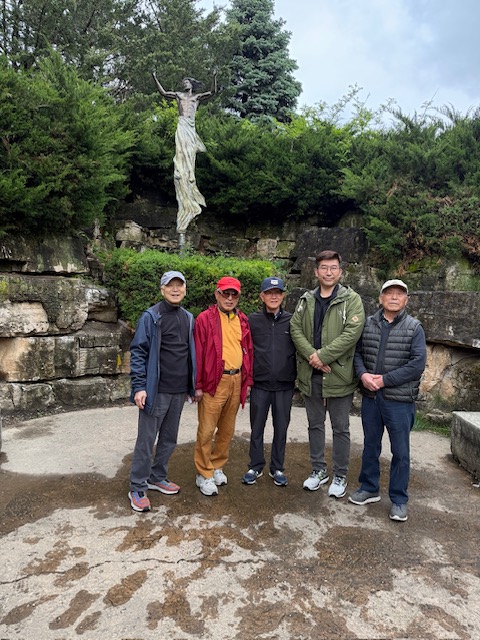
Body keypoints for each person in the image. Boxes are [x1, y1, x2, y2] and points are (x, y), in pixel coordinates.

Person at [349, 279, 427, 522]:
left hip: (399, 401)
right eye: (389, 293)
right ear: (380, 298)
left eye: (399, 294)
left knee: (400, 451)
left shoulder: (414, 327)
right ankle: (369, 487)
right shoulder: (368, 324)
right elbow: (357, 353)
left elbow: (417, 364)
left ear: (406, 300)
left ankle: (399, 500)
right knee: (370, 445)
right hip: (371, 397)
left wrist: (384, 380)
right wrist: (363, 375)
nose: (394, 297)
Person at [290, 250, 365, 498]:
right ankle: (318, 470)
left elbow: (352, 333)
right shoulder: (306, 299)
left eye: (333, 267)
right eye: (324, 267)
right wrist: (313, 356)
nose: (329, 272)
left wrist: (323, 356)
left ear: (340, 272)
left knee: (340, 427)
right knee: (315, 424)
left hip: (338, 373)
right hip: (310, 373)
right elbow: (295, 328)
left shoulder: (351, 300)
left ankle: (340, 474)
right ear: (316, 271)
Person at [128, 271, 196, 512]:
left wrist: (192, 386)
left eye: (179, 285)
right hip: (156, 391)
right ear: (162, 289)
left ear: (185, 289)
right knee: (146, 441)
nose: (175, 289)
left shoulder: (188, 317)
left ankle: (157, 477)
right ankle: (137, 486)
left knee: (169, 439)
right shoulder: (151, 316)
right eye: (170, 286)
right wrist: (139, 387)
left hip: (179, 391)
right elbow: (138, 352)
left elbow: (189, 353)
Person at [194, 276, 253, 496]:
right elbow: (198, 352)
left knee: (227, 429)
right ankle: (204, 472)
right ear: (217, 294)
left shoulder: (243, 319)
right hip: (214, 380)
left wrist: (247, 380)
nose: (229, 298)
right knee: (206, 430)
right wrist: (198, 384)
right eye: (225, 293)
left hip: (236, 379)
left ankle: (217, 465)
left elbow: (248, 351)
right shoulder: (205, 318)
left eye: (233, 294)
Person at [242, 277, 296, 487]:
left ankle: (277, 467)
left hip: (284, 384)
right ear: (262, 296)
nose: (274, 296)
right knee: (257, 427)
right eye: (269, 293)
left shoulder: (293, 320)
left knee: (281, 428)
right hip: (260, 384)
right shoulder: (252, 320)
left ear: (283, 296)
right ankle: (255, 465)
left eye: (277, 293)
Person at [152, 70, 217, 234]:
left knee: (190, 152)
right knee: (180, 152)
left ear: (192, 84)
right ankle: (182, 179)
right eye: (183, 83)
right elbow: (163, 92)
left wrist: (214, 77)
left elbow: (212, 92)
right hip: (181, 124)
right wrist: (155, 77)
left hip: (190, 125)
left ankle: (190, 178)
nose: (184, 84)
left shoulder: (196, 97)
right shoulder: (179, 95)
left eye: (187, 82)